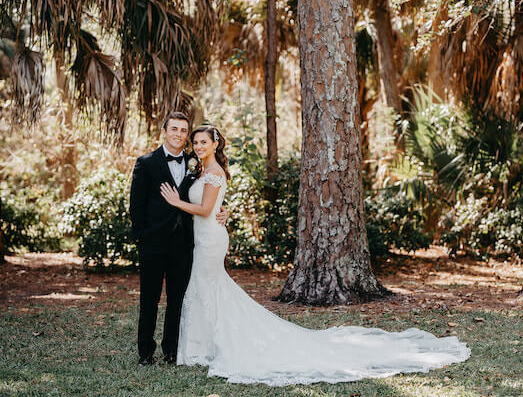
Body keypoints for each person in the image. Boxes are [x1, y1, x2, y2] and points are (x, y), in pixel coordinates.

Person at [160, 125, 471, 386]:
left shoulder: (214, 173)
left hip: (211, 239)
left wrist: (176, 203)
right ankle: (202, 347)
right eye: (196, 142)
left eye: (204, 142)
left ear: (216, 143)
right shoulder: (202, 170)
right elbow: (210, 208)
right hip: (204, 237)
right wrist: (217, 210)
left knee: (208, 288)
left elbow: (203, 209)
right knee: (204, 290)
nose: (198, 146)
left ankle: (209, 347)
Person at [129, 112, 228, 365]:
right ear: (164, 131)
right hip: (152, 243)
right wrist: (142, 237)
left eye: (184, 130)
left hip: (184, 244)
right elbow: (136, 206)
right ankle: (146, 353)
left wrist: (221, 211)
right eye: (174, 129)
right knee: (149, 300)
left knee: (178, 300)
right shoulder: (146, 162)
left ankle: (172, 351)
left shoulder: (195, 162)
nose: (179, 134)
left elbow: (206, 195)